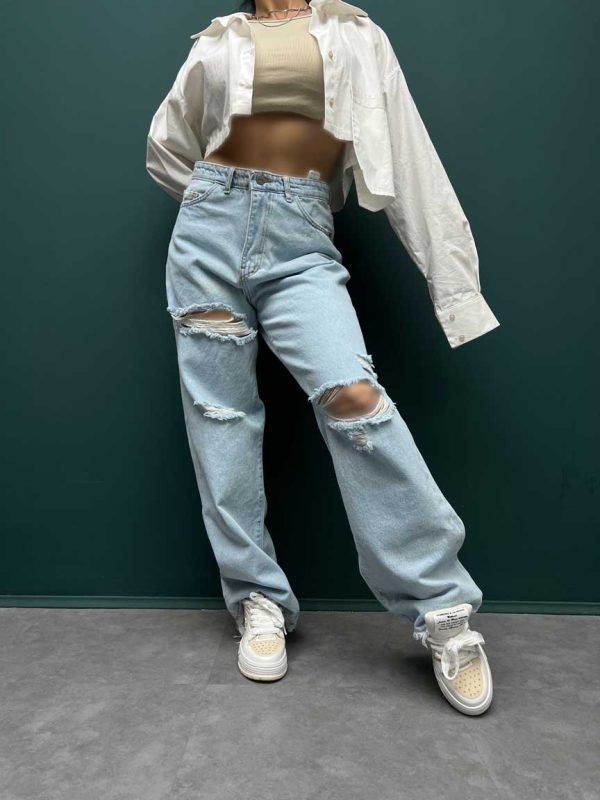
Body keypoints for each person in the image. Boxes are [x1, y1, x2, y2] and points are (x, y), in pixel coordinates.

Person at [146, 0, 500, 716]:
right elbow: (168, 147)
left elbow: (410, 156)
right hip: (206, 231)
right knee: (220, 421)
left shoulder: (355, 36)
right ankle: (257, 600)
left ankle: (441, 608)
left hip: (301, 237)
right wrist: (220, 197)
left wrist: (457, 292)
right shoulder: (218, 40)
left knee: (354, 397)